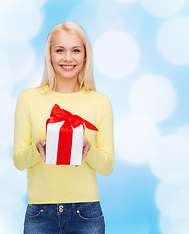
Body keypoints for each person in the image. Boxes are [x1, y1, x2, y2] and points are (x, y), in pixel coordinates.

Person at [13, 22, 114, 234]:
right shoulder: (28, 99)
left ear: (85, 55)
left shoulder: (100, 102)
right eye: (60, 50)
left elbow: (107, 167)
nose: (68, 58)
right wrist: (37, 149)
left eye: (76, 50)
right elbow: (19, 161)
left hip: (86, 214)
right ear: (49, 55)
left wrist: (88, 150)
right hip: (40, 214)